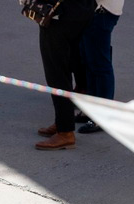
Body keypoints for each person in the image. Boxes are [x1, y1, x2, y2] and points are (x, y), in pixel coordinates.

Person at [35, 1, 98, 150]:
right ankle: (63, 123)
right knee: (73, 61)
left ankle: (65, 131)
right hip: (82, 10)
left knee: (57, 73)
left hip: (58, 13)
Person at [75, 0, 123, 135]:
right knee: (89, 62)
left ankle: (102, 115)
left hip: (102, 11)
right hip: (95, 10)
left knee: (99, 64)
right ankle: (92, 110)